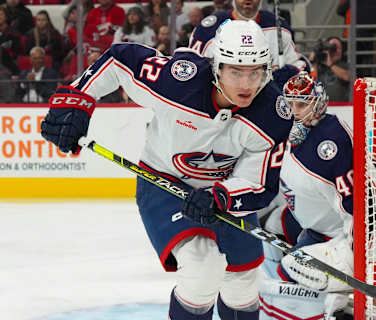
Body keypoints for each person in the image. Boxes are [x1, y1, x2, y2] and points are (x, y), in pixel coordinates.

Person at [40, 19, 293, 320]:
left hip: (225, 193)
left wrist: (222, 197)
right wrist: (77, 99)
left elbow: (260, 183)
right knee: (202, 269)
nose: (246, 84)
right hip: (164, 183)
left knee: (244, 285)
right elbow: (120, 59)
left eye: (255, 72)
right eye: (235, 71)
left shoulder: (273, 112)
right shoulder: (178, 83)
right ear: (217, 66)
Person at [258, 71, 354, 319]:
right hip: (313, 227)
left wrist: (354, 248)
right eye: (289, 105)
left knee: (288, 280)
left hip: (341, 236)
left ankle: (339, 302)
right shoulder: (286, 136)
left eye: (301, 104)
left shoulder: (332, 140)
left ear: (318, 104)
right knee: (280, 276)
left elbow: (355, 203)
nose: (294, 111)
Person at [189, 0, 305, 87]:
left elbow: (296, 65)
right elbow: (194, 73)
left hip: (268, 105)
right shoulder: (207, 30)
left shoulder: (279, 26)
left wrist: (288, 75)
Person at [312, 36, 351, 102]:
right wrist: (314, 61)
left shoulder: (345, 65)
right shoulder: (318, 65)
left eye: (339, 48)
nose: (337, 51)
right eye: (334, 48)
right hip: (320, 106)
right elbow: (312, 80)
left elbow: (348, 77)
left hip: (342, 108)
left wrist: (330, 64)